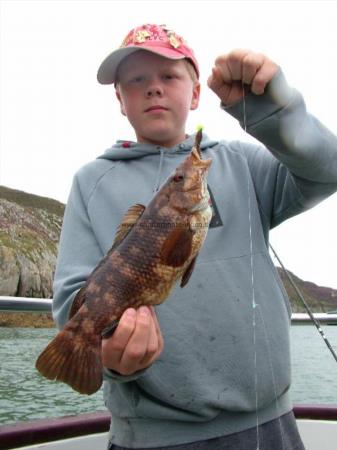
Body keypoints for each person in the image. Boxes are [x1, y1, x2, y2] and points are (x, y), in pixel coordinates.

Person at [52, 24, 337, 449]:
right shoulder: (90, 181)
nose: (153, 89)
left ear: (197, 93)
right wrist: (111, 354)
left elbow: (326, 171)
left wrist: (274, 114)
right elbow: (75, 298)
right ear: (120, 100)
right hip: (150, 437)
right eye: (136, 80)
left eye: (169, 76)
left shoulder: (240, 162)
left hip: (268, 423)